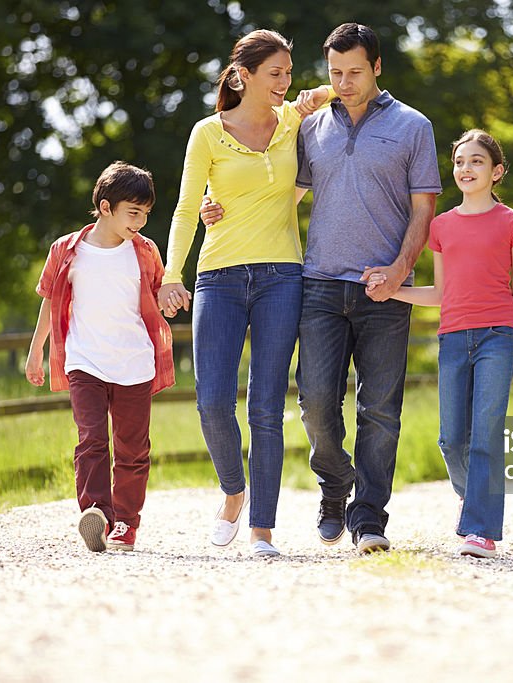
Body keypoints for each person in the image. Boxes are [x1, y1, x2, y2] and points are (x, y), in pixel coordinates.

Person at [201, 23, 440, 554]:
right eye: (335, 73)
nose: (345, 82)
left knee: (380, 410)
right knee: (314, 403)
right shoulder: (309, 128)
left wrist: (401, 270)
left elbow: (424, 207)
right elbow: (277, 192)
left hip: (386, 289)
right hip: (319, 284)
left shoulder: (413, 126)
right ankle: (335, 484)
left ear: (377, 67)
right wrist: (213, 208)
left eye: (355, 71)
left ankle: (369, 519)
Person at [158, 30, 330, 558]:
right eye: (275, 73)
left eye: (289, 72)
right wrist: (171, 274)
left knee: (265, 406)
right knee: (212, 401)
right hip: (219, 277)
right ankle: (233, 490)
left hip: (283, 275)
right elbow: (188, 208)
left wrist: (315, 95)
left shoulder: (294, 121)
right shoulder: (208, 133)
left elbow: (343, 85)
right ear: (243, 76)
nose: (285, 81)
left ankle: (262, 529)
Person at [365, 129, 513, 559]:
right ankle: (473, 498)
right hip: (453, 339)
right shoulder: (441, 227)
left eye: (476, 161)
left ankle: (480, 530)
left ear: (496, 172)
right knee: (451, 439)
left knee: (485, 435)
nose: (466, 168)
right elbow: (440, 294)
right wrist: (393, 289)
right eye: (460, 161)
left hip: (498, 339)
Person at [25, 161, 174, 553]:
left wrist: (170, 297)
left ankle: (125, 521)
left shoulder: (144, 252)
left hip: (134, 362)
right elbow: (49, 302)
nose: (140, 222)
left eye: (145, 214)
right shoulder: (67, 250)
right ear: (106, 207)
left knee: (132, 448)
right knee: (91, 439)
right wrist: (35, 351)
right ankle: (96, 512)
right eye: (134, 213)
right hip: (84, 361)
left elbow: (159, 293)